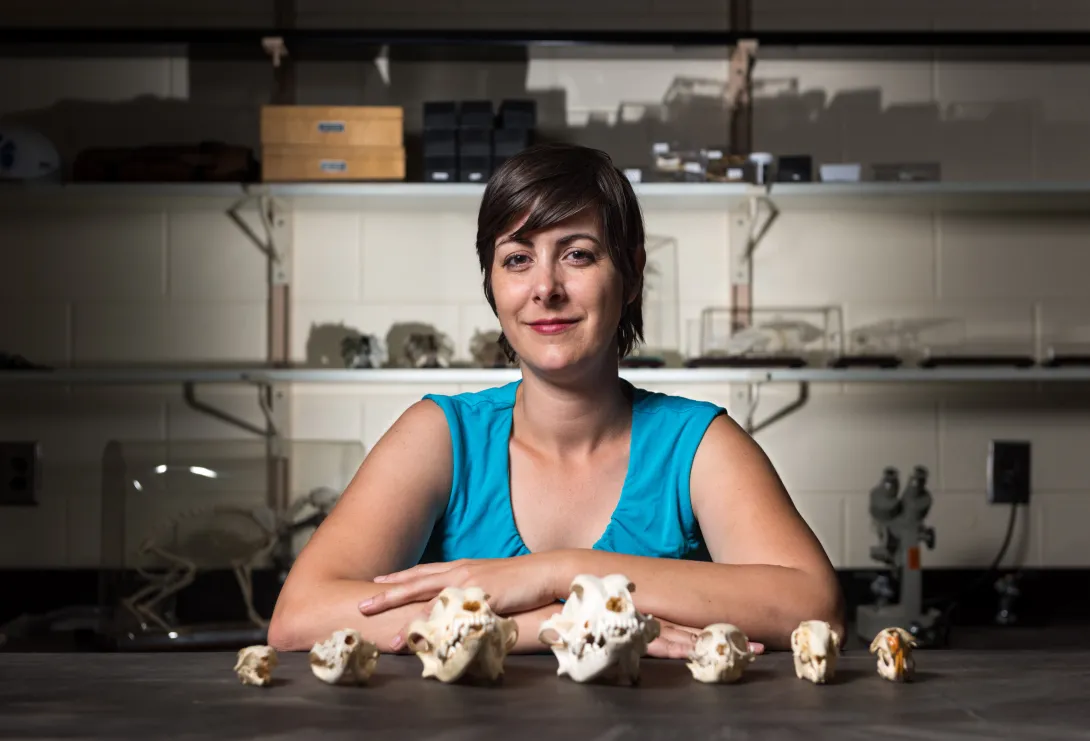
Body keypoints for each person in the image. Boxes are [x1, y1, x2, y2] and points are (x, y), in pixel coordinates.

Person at [268, 142, 844, 657]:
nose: (545, 288)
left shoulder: (697, 447)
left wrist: (560, 573)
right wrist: (561, 622)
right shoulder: (441, 436)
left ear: (632, 274)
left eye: (578, 254)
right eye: (518, 259)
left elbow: (816, 608)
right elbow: (300, 616)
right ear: (492, 284)